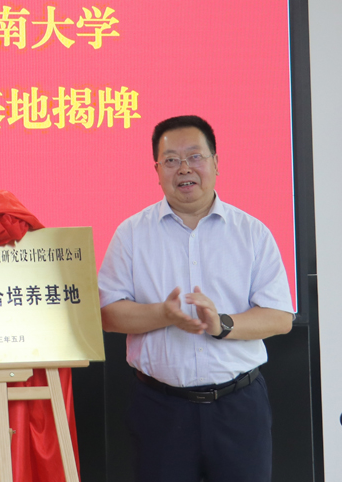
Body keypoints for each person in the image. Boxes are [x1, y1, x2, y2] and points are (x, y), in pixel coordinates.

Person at [98, 115, 294, 482]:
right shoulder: (131, 234)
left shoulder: (252, 233)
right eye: (171, 160)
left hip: (239, 408)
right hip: (161, 409)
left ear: (216, 163)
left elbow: (280, 317)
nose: (184, 168)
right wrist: (164, 314)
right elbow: (108, 314)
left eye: (194, 157)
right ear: (157, 171)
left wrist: (222, 325)